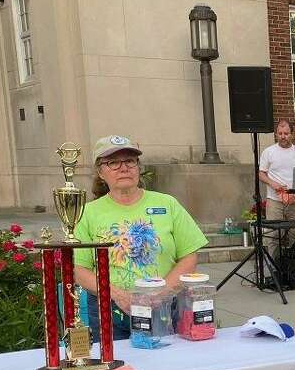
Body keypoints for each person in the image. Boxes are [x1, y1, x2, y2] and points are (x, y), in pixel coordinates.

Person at [72, 136, 207, 340]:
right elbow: (79, 270)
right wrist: (119, 295)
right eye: (113, 162)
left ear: (138, 167)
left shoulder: (167, 204)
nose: (123, 168)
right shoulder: (87, 213)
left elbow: (189, 256)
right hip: (109, 309)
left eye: (130, 161)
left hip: (164, 307)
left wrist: (160, 293)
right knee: (117, 367)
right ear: (100, 172)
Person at [258, 120, 295, 248]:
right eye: (280, 133)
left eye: (286, 133)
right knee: (273, 235)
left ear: (292, 134)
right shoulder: (269, 152)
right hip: (275, 201)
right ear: (276, 134)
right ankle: (272, 266)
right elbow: (261, 173)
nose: (283, 136)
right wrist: (273, 183)